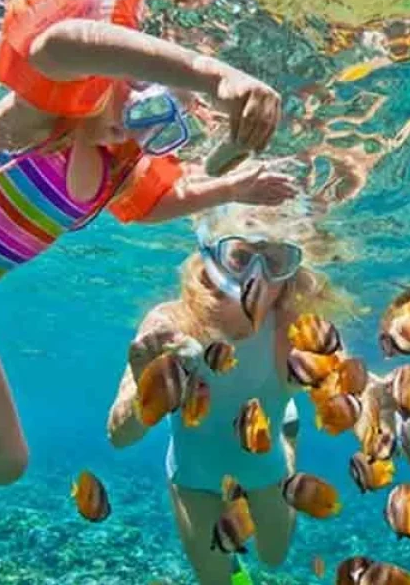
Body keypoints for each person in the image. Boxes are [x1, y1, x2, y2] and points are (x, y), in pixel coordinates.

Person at [0, 0, 300, 487]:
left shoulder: (110, 169)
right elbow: (58, 43)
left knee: (2, 460)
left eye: (156, 121)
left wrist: (231, 187)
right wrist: (214, 75)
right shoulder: (38, 121)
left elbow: (157, 203)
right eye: (136, 90)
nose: (134, 121)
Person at [106, 205, 353, 585]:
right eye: (240, 257)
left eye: (274, 261)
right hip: (193, 472)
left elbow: (351, 387)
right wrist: (146, 387)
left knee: (273, 558)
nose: (256, 276)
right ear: (211, 258)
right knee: (216, 581)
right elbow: (118, 437)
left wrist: (382, 401)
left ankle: (286, 437)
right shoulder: (170, 323)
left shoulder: (298, 329)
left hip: (265, 463)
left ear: (291, 274)